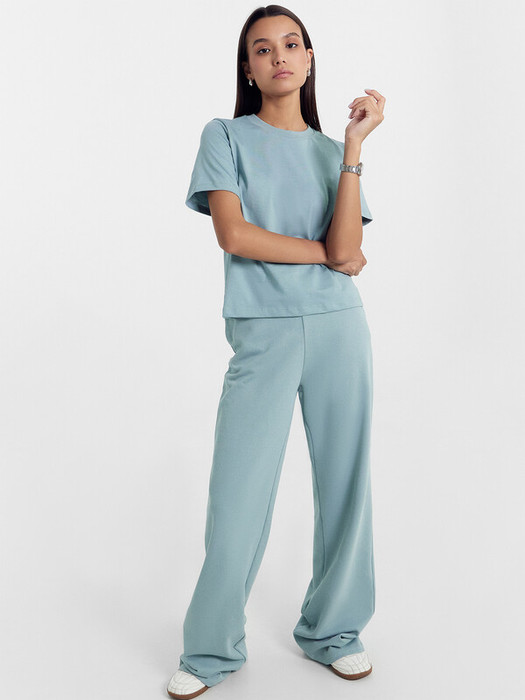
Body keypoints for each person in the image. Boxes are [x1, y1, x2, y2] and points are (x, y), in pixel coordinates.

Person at [167, 5, 385, 698]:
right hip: (262, 331)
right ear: (248, 68)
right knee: (236, 494)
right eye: (262, 49)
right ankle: (210, 649)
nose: (279, 56)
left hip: (338, 327)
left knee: (346, 485)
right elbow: (234, 235)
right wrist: (325, 254)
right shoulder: (225, 135)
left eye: (291, 44)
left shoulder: (330, 152)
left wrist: (353, 147)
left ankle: (333, 631)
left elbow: (350, 250)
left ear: (309, 59)